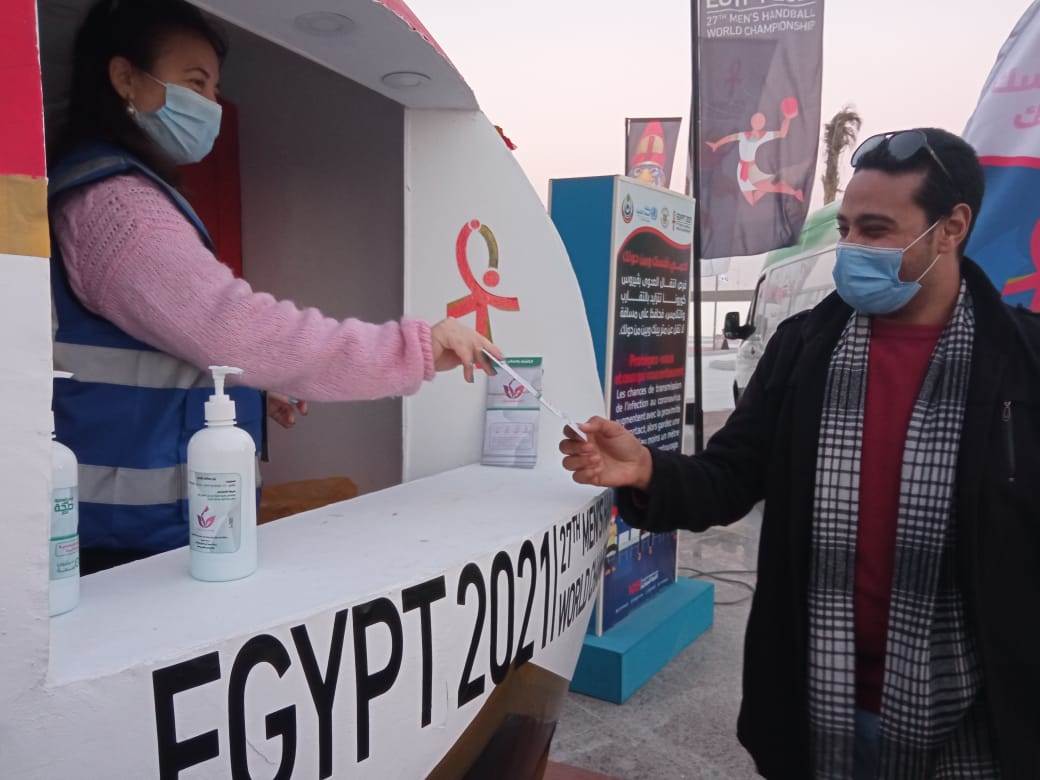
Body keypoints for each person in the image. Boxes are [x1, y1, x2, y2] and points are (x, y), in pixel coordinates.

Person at [561, 128, 1040, 778]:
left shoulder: (1022, 362)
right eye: (846, 228)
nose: (852, 248)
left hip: (979, 721)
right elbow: (731, 476)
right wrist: (647, 470)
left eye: (876, 229)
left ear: (951, 228)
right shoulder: (804, 347)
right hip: (817, 708)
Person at [50, 0, 500, 574]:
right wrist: (417, 349)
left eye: (214, 89)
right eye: (195, 82)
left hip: (131, 534)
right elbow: (238, 331)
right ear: (124, 77)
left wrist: (246, 389)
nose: (211, 105)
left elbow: (166, 348)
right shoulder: (119, 208)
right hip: (125, 554)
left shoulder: (97, 188)